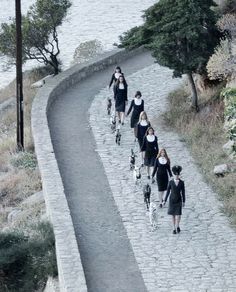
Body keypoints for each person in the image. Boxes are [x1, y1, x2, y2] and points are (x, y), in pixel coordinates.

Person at [163, 165, 185, 234]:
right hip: (172, 200)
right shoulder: (171, 182)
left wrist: (184, 201)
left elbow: (183, 192)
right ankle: (174, 228)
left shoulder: (181, 183)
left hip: (179, 200)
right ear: (174, 175)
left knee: (178, 215)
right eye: (175, 175)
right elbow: (168, 192)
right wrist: (164, 200)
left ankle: (177, 226)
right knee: (172, 215)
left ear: (179, 175)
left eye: (178, 175)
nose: (177, 176)